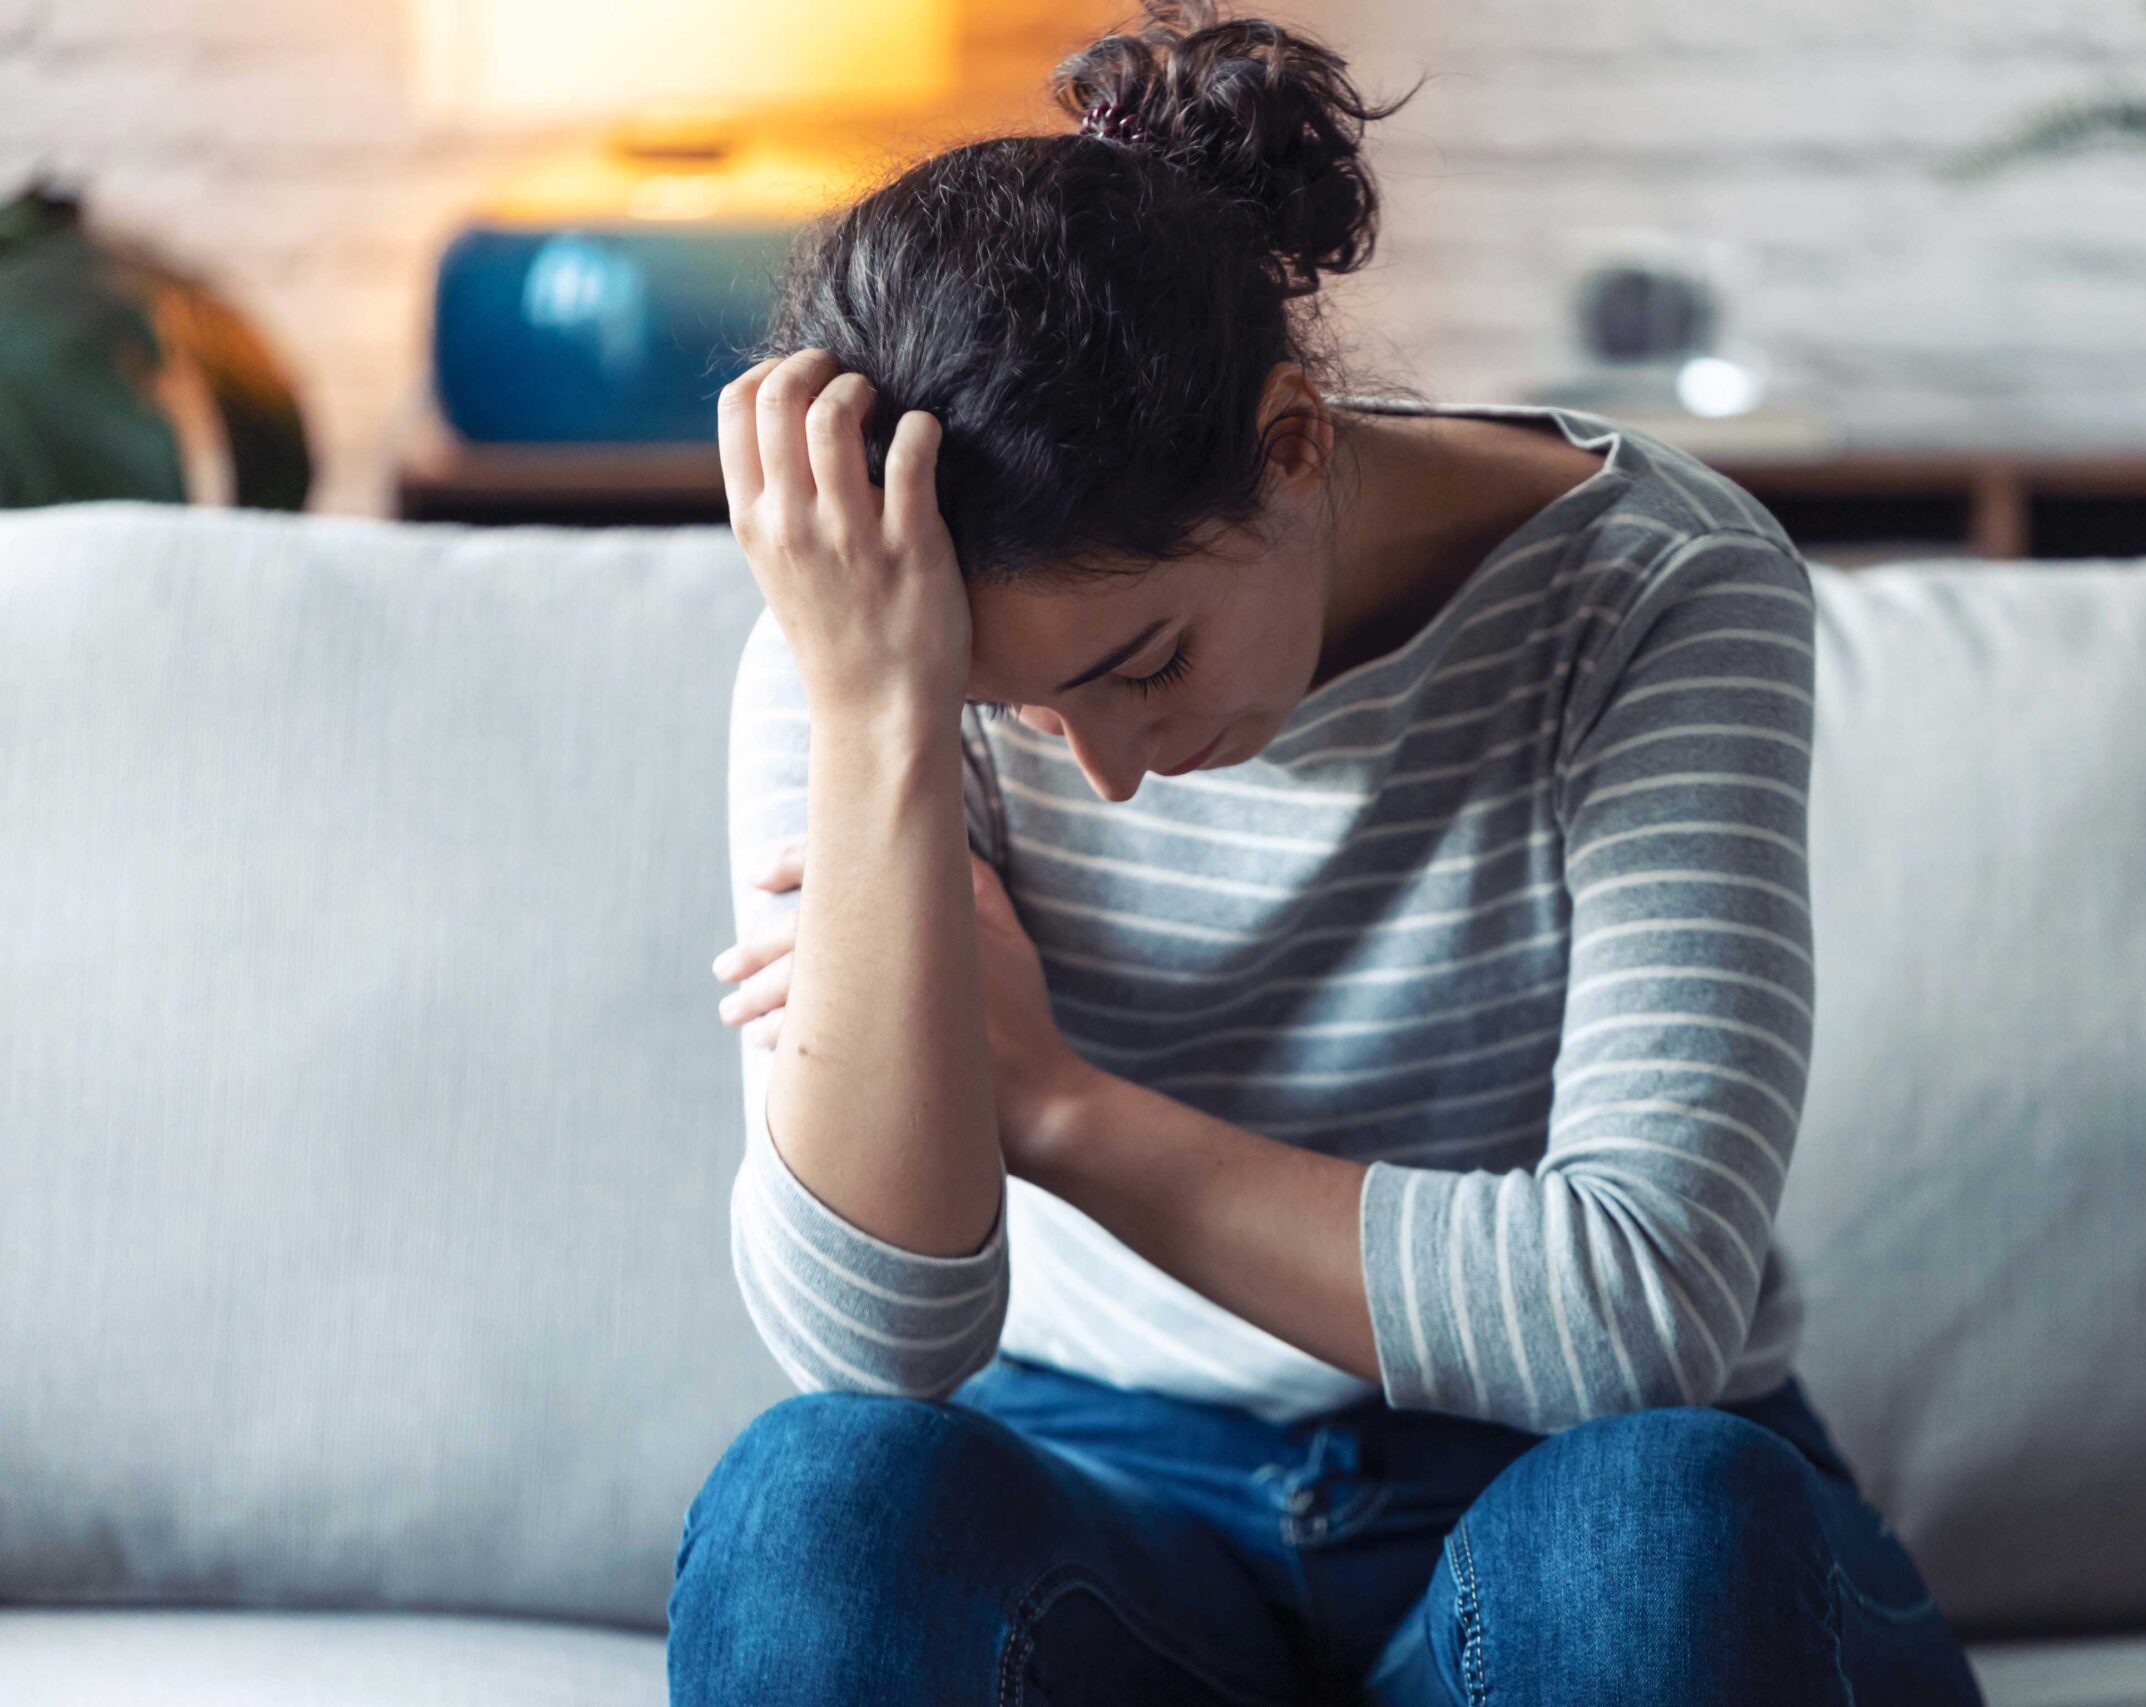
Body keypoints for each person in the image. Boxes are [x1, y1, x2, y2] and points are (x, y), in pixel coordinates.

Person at [673, 3, 1985, 1702]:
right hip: (1105, 1495)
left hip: (1555, 1491)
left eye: (1143, 662)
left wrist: (1055, 1105)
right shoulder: (864, 653)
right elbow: (875, 1347)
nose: (1115, 773)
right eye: (1022, 714)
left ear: (1292, 442)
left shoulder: (1659, 587)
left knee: (1658, 1527)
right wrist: (886, 731)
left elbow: (1632, 1316)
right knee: (820, 1509)